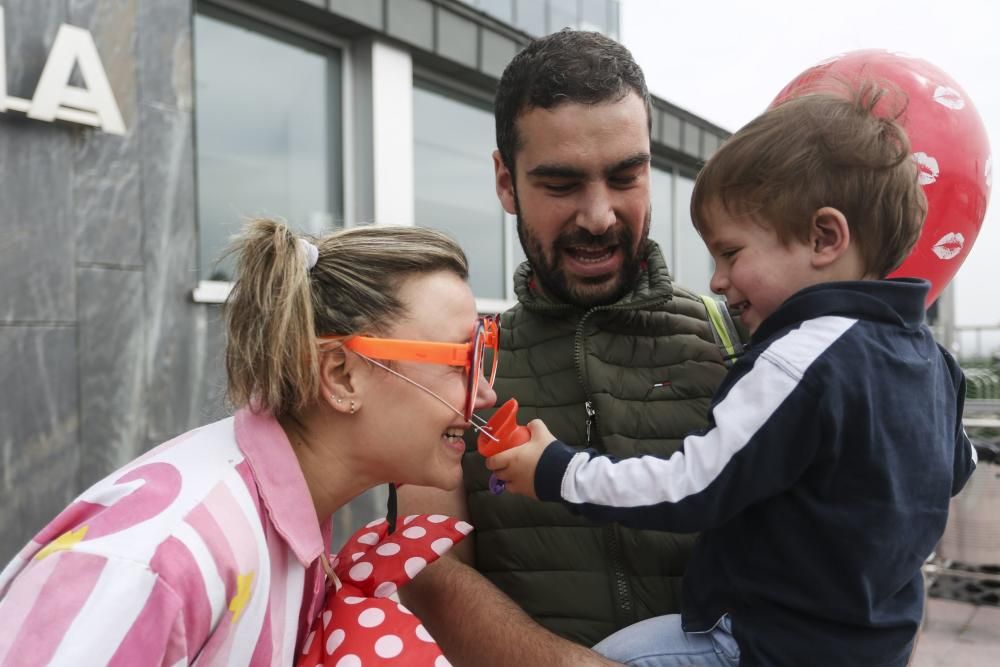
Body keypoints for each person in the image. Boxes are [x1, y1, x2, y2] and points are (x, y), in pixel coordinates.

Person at [486, 83, 979, 666]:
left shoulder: (797, 360)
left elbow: (695, 485)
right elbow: (956, 467)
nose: (717, 280)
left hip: (763, 644)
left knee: (611, 659)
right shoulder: (932, 362)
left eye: (731, 253)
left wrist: (560, 472)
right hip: (878, 646)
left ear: (824, 237)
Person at [0, 220, 498, 665]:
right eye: (462, 361)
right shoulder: (165, 561)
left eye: (485, 353)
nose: (485, 392)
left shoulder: (278, 524)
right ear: (342, 375)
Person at [398, 29, 735, 666]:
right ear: (506, 181)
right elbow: (431, 574)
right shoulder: (454, 375)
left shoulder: (746, 347)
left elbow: (864, 543)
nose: (600, 215)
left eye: (625, 176)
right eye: (561, 184)